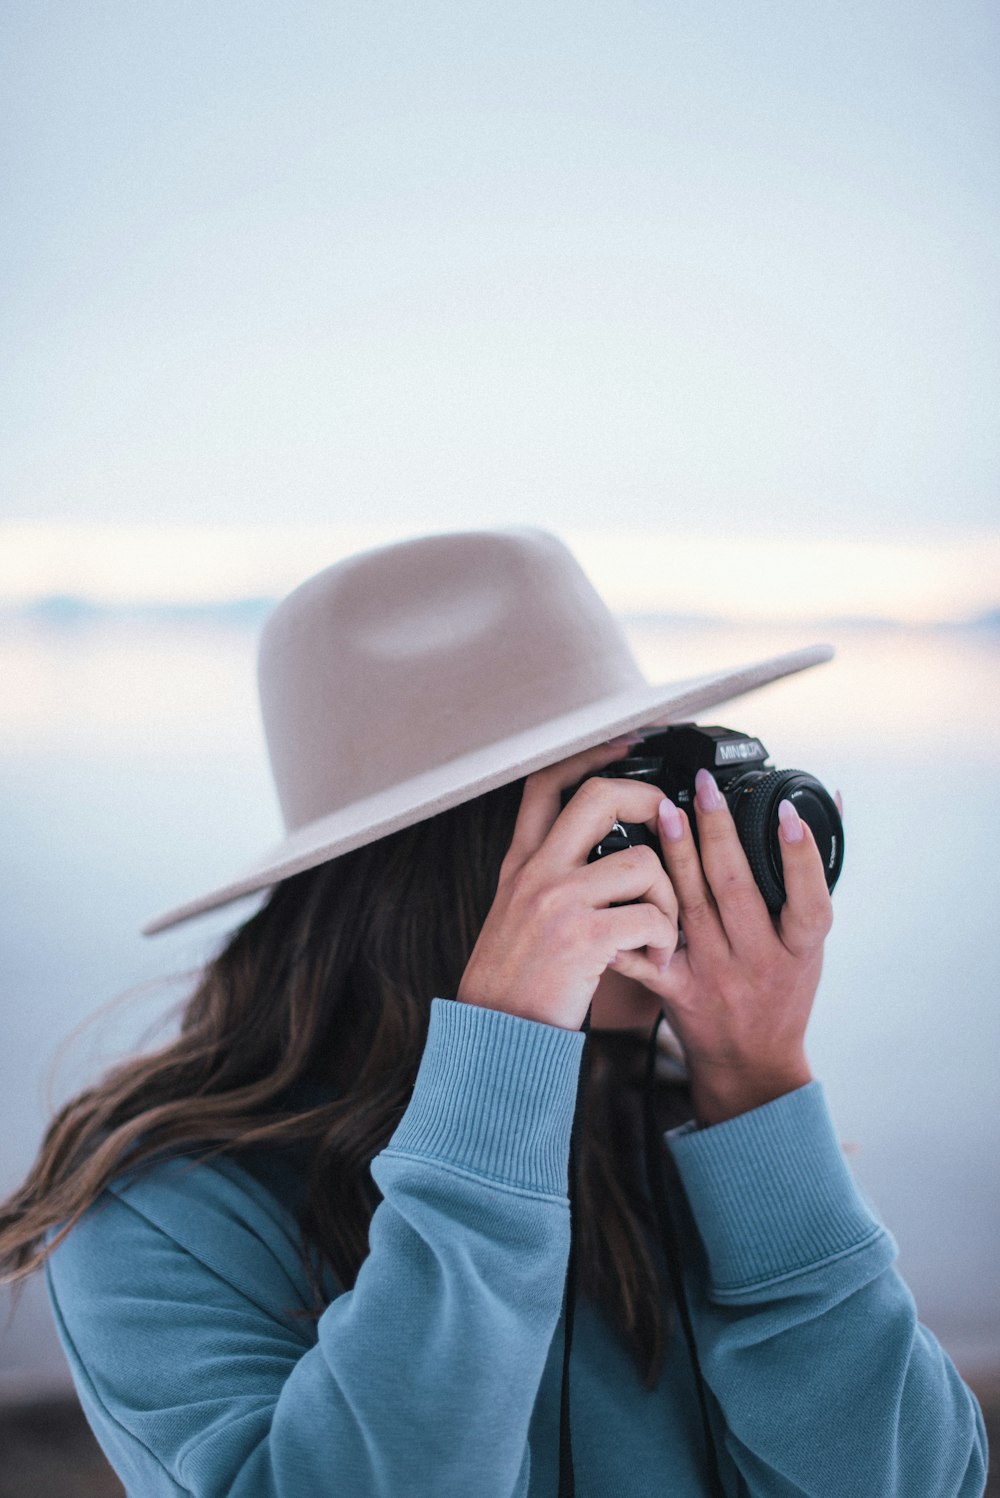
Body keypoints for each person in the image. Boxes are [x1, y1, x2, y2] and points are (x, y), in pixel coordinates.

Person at [0, 527, 987, 1497]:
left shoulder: (680, 1129)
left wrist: (760, 1086)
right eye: (618, 827)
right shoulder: (164, 1214)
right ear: (451, 877)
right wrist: (502, 1050)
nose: (684, 872)